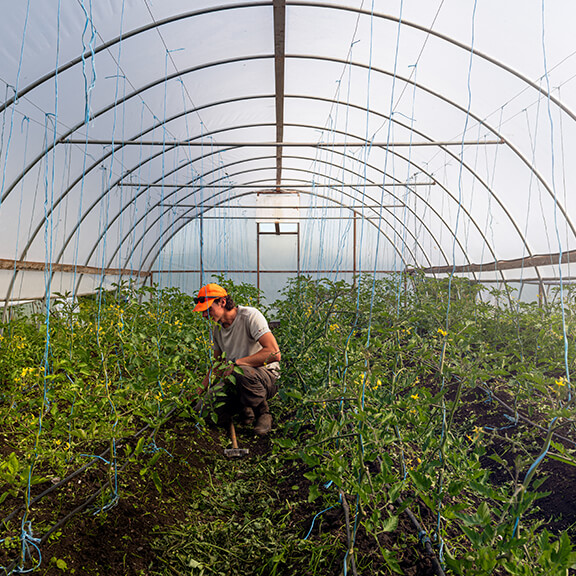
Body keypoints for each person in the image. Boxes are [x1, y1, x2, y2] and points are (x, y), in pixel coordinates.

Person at [193, 283, 281, 436]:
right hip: (236, 379)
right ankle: (243, 406)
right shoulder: (217, 329)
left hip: (265, 378)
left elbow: (274, 353)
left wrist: (237, 363)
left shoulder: (249, 316)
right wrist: (199, 391)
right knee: (201, 411)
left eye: (209, 309)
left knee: (240, 372)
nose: (205, 315)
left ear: (222, 302)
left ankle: (263, 412)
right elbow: (218, 365)